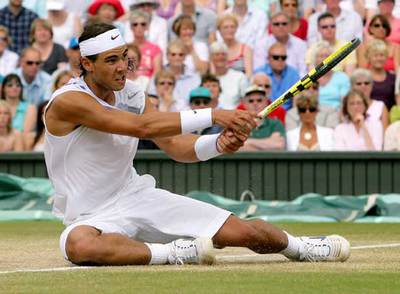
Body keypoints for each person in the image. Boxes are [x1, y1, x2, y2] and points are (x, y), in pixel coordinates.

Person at [44, 22, 350, 266]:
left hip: (136, 197)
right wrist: (215, 114)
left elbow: (177, 147)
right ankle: (175, 253)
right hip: (89, 216)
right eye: (111, 60)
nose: (123, 66)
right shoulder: (68, 102)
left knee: (244, 232)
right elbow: (142, 127)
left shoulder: (134, 94)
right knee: (80, 245)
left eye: (124, 57)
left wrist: (219, 143)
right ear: (87, 63)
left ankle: (302, 247)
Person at [254, 42, 300, 110]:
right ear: (268, 58)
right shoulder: (259, 73)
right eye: (276, 57)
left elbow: (296, 99)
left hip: (287, 115)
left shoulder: (293, 74)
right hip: (265, 113)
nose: (280, 60)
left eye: (283, 57)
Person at [239, 85, 286, 151]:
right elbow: (235, 148)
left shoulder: (275, 123)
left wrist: (248, 142)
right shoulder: (238, 125)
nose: (255, 103)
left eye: (259, 100)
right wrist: (268, 143)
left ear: (266, 102)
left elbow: (278, 145)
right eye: (251, 101)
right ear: (244, 104)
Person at [209, 41, 248, 110]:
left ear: (227, 57)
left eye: (223, 54)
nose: (220, 57)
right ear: (211, 57)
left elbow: (246, 101)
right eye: (217, 54)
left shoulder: (239, 76)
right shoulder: (207, 80)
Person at [0, 74, 36, 144]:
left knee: (29, 137)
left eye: (18, 85)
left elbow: (26, 132)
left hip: (21, 142)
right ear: (3, 88)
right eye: (10, 85)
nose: (14, 88)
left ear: (21, 88)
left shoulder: (30, 108)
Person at [217, 14, 252, 78]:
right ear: (219, 30)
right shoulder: (216, 49)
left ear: (236, 29)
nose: (229, 30)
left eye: (232, 27)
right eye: (226, 27)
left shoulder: (245, 49)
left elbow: (249, 74)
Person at [130, 10, 162, 78]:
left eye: (143, 24)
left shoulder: (155, 48)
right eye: (135, 24)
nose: (139, 27)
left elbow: (157, 73)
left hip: (149, 85)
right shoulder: (125, 48)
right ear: (131, 27)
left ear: (147, 27)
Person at [366, 39, 396, 110]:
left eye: (382, 55)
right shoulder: (363, 78)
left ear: (386, 57)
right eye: (375, 55)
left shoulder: (393, 78)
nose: (379, 58)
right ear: (369, 57)